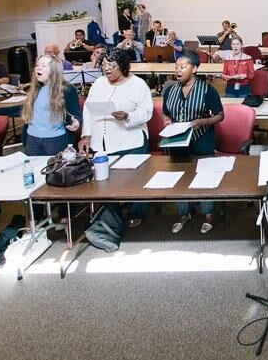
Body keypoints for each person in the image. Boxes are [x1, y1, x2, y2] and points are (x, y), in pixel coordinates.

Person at [78, 49, 154, 227]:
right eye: (104, 65)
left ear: (123, 66)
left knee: (136, 178)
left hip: (130, 139)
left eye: (112, 65)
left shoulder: (138, 84)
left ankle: (137, 212)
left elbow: (147, 112)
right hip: (102, 139)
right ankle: (111, 215)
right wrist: (86, 135)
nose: (107, 69)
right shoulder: (98, 84)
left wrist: (128, 116)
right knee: (105, 178)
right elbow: (88, 110)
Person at [163, 53, 224, 234]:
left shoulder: (207, 90)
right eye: (176, 67)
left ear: (195, 69)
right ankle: (184, 213)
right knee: (179, 176)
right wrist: (166, 121)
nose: (178, 70)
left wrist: (202, 122)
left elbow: (220, 115)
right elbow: (165, 112)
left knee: (205, 177)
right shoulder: (169, 90)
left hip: (201, 139)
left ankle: (208, 214)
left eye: (182, 67)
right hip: (177, 142)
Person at [19, 55, 81, 155]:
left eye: (44, 66)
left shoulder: (67, 89)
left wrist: (76, 122)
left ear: (54, 70)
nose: (38, 68)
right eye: (37, 65)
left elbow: (75, 114)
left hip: (56, 140)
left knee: (56, 170)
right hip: (32, 140)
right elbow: (23, 109)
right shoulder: (35, 88)